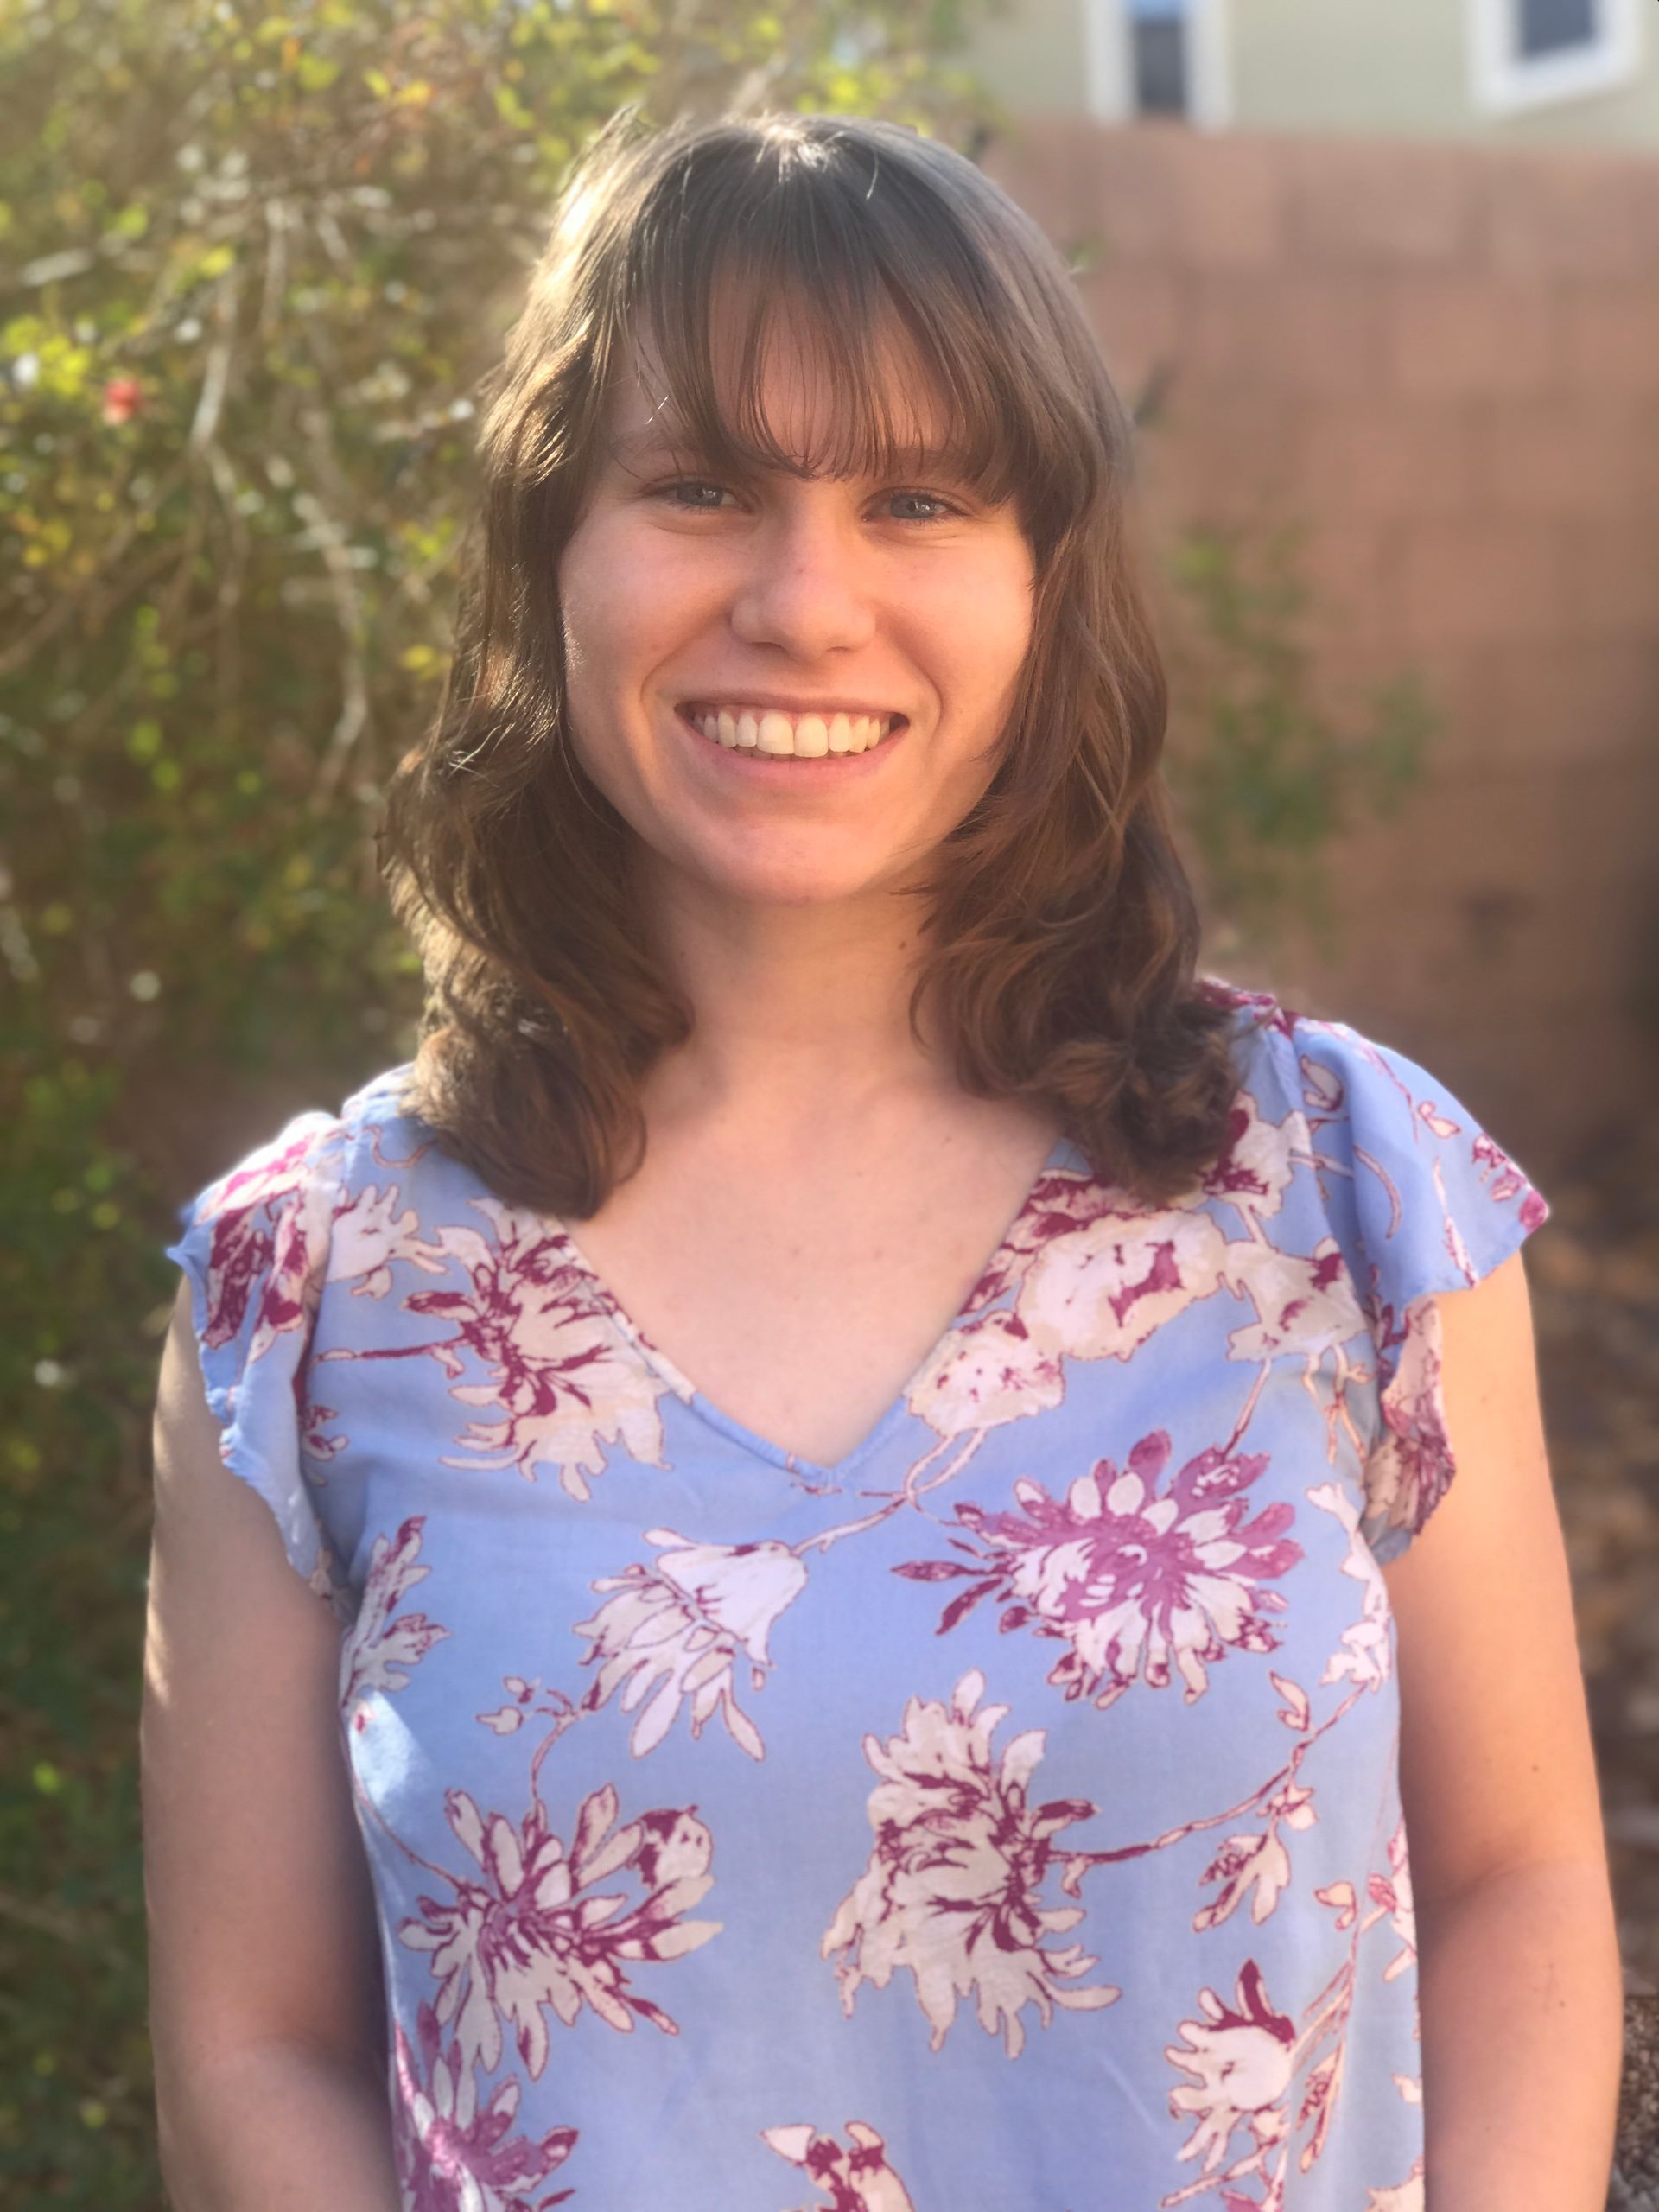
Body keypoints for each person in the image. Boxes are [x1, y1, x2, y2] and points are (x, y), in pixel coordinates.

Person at [141, 105, 1622, 2212]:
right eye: (702, 487)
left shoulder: (1344, 1194)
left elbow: (1519, 1881)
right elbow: (253, 2043)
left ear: (1045, 583)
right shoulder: (308, 1295)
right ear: (553, 544)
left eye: (920, 496)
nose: (803, 600)